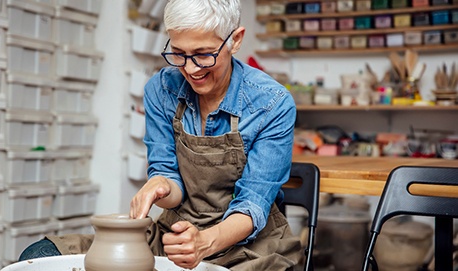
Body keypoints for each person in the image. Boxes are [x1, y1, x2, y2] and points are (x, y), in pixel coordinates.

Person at [19, 0, 300, 270]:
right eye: (179, 53)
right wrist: (160, 185)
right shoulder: (162, 89)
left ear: (235, 40)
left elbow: (252, 205)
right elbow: (170, 181)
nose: (190, 69)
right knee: (37, 256)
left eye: (204, 54)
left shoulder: (272, 103)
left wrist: (203, 243)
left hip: (246, 246)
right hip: (172, 235)